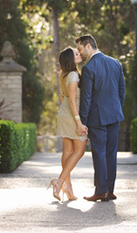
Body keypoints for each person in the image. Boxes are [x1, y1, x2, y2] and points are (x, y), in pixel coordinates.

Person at [76, 34, 126, 202]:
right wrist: (116, 109)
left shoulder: (89, 68)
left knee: (99, 153)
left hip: (97, 118)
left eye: (80, 49)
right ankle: (109, 190)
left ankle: (101, 191)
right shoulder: (115, 63)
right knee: (111, 153)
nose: (80, 53)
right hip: (114, 115)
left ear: (89, 46)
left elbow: (86, 98)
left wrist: (82, 122)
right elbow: (121, 91)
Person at [49, 47, 88, 201]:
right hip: (73, 115)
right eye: (76, 54)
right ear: (70, 59)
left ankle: (68, 187)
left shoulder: (63, 74)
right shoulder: (73, 75)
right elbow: (72, 101)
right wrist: (78, 123)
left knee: (68, 151)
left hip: (64, 113)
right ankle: (59, 182)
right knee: (79, 150)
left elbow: (62, 97)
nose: (79, 55)